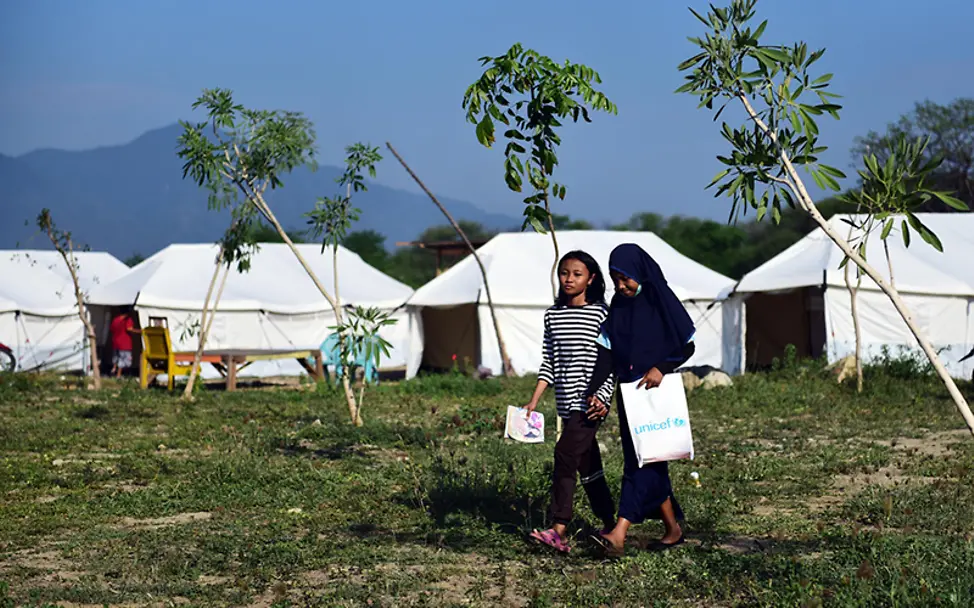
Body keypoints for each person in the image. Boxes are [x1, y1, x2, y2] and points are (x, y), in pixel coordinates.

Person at [586, 243, 696, 557]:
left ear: (640, 274)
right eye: (615, 279)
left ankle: (618, 533)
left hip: (657, 393)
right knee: (649, 458)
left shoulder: (659, 299)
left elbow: (686, 345)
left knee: (641, 461)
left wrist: (662, 367)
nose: (621, 286)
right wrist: (596, 390)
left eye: (626, 279)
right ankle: (673, 529)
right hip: (630, 396)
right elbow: (607, 353)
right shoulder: (619, 307)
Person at [524, 250, 617, 553]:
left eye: (577, 274)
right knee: (588, 466)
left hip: (591, 402)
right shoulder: (553, 315)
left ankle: (558, 528)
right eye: (564, 273)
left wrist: (603, 397)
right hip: (565, 404)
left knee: (564, 454)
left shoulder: (602, 314)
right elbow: (549, 361)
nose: (569, 279)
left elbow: (610, 361)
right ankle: (610, 522)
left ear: (591, 278)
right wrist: (534, 400)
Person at [109, 308, 139, 378]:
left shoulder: (115, 319)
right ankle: (118, 375)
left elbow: (112, 329)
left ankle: (113, 370)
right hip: (125, 344)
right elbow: (129, 328)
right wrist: (139, 331)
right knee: (123, 360)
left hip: (116, 342)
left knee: (116, 358)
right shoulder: (128, 319)